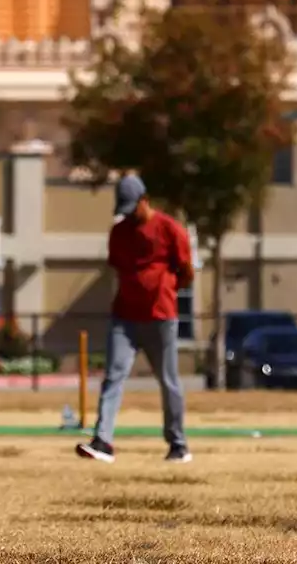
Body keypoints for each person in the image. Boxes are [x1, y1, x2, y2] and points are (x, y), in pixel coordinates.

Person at [75, 174, 192, 464]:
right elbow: (118, 267)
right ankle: (103, 442)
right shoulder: (118, 233)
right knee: (113, 377)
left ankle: (178, 444)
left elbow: (187, 270)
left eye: (132, 208)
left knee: (169, 381)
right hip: (124, 317)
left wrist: (166, 289)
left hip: (161, 317)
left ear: (145, 200)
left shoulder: (170, 229)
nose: (129, 216)